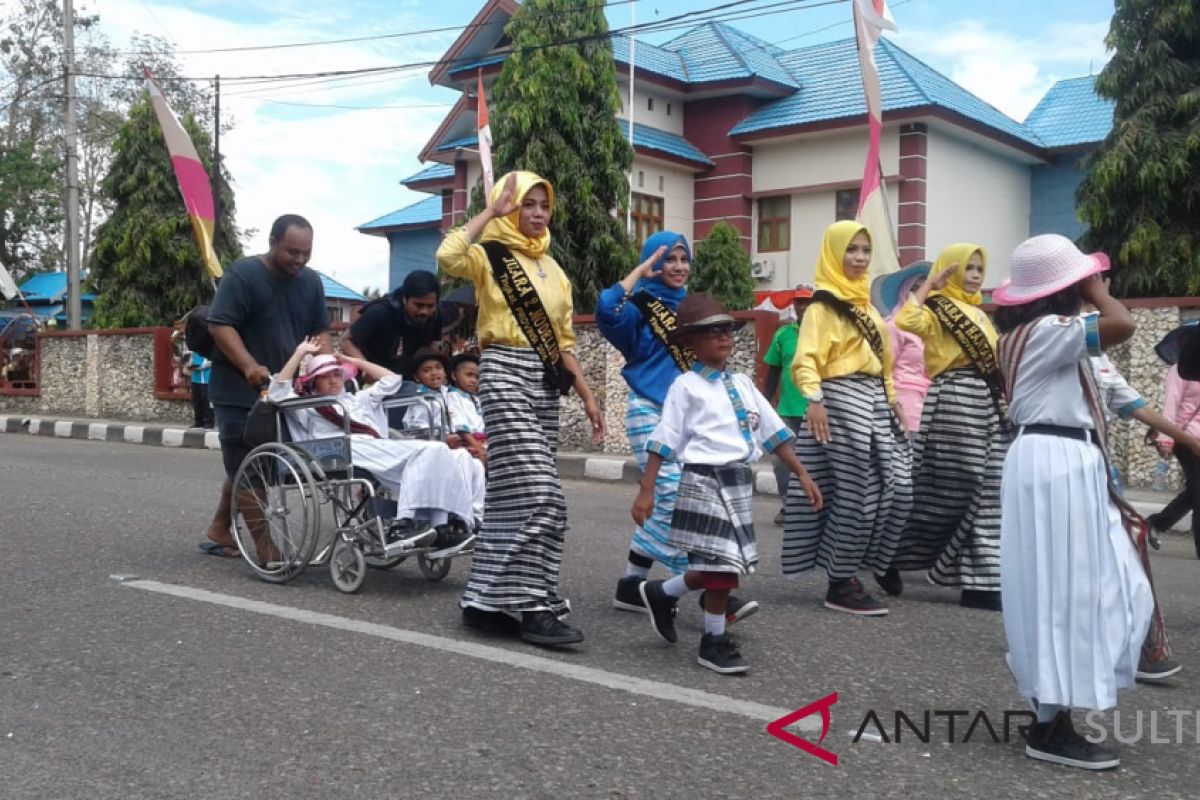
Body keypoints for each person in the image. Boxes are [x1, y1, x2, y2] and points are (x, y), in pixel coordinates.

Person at [992, 233, 1153, 770]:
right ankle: (1049, 723)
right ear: (1068, 286)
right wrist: (1096, 289)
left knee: (1077, 588)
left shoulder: (1038, 333)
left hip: (1060, 459)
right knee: (1060, 592)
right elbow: (1124, 324)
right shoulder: (1047, 331)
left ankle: (1051, 712)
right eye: (1085, 277)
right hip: (1054, 460)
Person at [438, 170, 605, 647]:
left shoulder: (556, 271)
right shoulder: (490, 256)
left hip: (545, 382)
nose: (534, 213)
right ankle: (534, 606)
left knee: (512, 494)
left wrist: (589, 396)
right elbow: (447, 255)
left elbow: (564, 342)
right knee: (542, 494)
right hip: (505, 370)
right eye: (525, 204)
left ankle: (484, 601)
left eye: (542, 205)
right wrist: (491, 213)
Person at [633, 293, 822, 674]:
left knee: (723, 564)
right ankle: (712, 641)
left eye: (726, 330)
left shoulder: (743, 384)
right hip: (702, 481)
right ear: (690, 342)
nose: (723, 338)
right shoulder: (685, 386)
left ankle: (662, 591)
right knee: (722, 570)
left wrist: (801, 473)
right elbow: (664, 438)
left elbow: (773, 433)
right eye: (710, 332)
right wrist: (647, 489)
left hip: (737, 482)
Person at [782, 221, 912, 615]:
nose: (859, 258)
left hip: (874, 400)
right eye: (851, 250)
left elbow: (884, 364)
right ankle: (840, 582)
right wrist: (815, 400)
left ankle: (872, 561)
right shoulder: (822, 306)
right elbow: (805, 360)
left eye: (864, 250)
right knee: (857, 495)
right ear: (834, 253)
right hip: (839, 400)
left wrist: (893, 402)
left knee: (899, 490)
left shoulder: (867, 305)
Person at [198, 214, 331, 562]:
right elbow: (220, 324)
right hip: (238, 390)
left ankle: (218, 529)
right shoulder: (244, 275)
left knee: (253, 464)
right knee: (247, 463)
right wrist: (248, 366)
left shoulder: (311, 282)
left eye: (306, 253)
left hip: (281, 391)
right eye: (291, 252)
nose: (299, 260)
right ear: (272, 243)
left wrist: (329, 371)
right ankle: (267, 548)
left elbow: (321, 332)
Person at [271, 339, 480, 555]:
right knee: (433, 450)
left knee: (451, 455)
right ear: (313, 381)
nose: (333, 380)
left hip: (372, 445)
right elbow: (277, 393)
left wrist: (351, 360)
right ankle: (402, 525)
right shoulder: (307, 405)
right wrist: (299, 353)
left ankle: (443, 527)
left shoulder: (356, 399)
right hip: (338, 449)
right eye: (324, 376)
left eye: (336, 374)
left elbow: (391, 380)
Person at [887, 244, 1006, 610]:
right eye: (967, 268)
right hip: (953, 395)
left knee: (990, 490)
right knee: (955, 487)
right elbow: (906, 322)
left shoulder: (980, 313)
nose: (974, 274)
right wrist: (929, 288)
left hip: (986, 399)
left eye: (978, 268)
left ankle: (981, 584)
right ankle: (889, 554)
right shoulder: (938, 308)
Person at [763, 284, 813, 526]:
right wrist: (765, 405)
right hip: (786, 411)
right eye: (799, 302)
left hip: (817, 413)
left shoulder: (824, 334)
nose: (802, 306)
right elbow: (773, 371)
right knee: (780, 461)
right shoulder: (783, 335)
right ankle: (787, 505)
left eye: (807, 302)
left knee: (817, 463)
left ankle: (816, 509)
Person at [341, 270, 444, 378]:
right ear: (405, 299)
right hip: (371, 381)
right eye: (418, 305)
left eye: (430, 306)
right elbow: (346, 340)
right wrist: (367, 368)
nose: (424, 312)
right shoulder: (380, 312)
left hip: (407, 382)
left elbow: (431, 346)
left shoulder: (436, 315)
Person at [403, 346, 488, 466]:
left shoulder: (450, 392)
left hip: (458, 442)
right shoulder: (419, 399)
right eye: (427, 370)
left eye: (438, 368)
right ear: (417, 377)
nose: (434, 373)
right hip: (434, 446)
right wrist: (442, 438)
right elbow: (416, 431)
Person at [1149, 363, 1200, 559]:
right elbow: (1171, 404)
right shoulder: (1180, 369)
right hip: (1185, 437)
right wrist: (1166, 439)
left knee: (1194, 491)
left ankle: (1156, 523)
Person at [184, 350, 214, 429]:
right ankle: (198, 421)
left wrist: (203, 366)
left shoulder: (209, 347)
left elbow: (211, 360)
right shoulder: (194, 348)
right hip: (195, 378)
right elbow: (188, 357)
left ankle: (208, 422)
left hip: (206, 378)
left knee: (206, 400)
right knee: (196, 400)